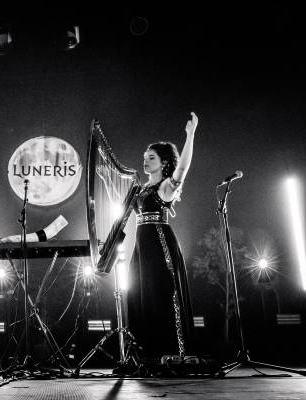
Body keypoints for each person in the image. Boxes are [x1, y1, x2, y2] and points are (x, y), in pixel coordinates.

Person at [126, 112, 198, 366]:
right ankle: (146, 354)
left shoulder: (165, 187)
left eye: (151, 158)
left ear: (164, 162)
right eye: (145, 158)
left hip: (159, 243)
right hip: (141, 246)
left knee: (161, 294)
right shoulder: (141, 188)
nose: (145, 162)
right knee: (141, 294)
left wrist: (190, 135)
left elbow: (183, 168)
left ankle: (170, 352)